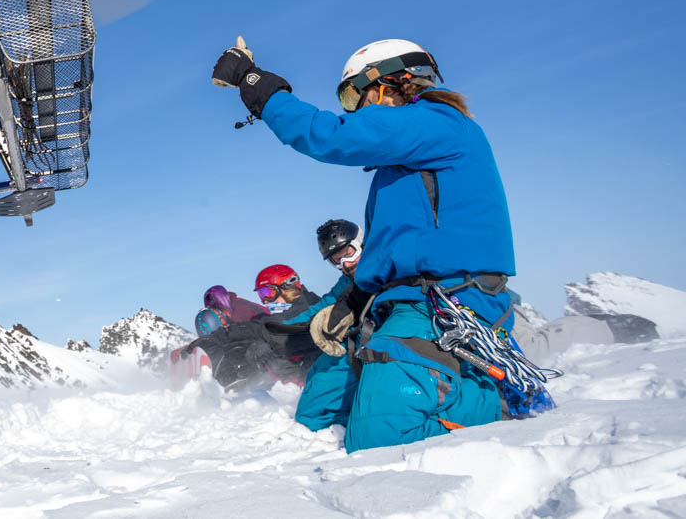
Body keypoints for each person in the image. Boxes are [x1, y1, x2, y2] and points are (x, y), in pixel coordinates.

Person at [212, 37, 516, 453]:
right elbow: (396, 249)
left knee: (381, 436)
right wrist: (352, 302)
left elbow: (331, 136)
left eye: (357, 94)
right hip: (399, 299)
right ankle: (406, 392)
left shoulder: (437, 121)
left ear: (393, 82)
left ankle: (495, 403)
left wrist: (255, 82)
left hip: (448, 298)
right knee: (315, 418)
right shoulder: (404, 166)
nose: (357, 108)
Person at [262, 219, 363, 431]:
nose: (345, 264)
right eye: (336, 261)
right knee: (311, 407)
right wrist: (288, 327)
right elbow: (327, 302)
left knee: (313, 413)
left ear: (361, 242)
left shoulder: (385, 263)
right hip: (356, 344)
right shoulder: (347, 280)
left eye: (348, 253)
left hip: (380, 342)